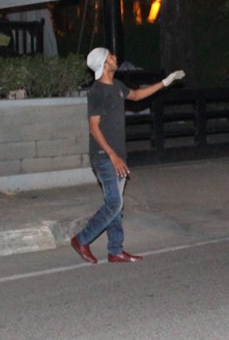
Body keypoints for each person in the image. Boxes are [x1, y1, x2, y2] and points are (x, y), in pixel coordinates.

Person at [70, 48, 184, 264]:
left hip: (117, 155)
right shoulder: (97, 91)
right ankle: (81, 239)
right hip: (104, 155)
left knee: (116, 204)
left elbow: (137, 95)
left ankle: (115, 250)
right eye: (110, 56)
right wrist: (112, 155)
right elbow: (94, 127)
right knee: (114, 203)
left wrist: (166, 82)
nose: (115, 58)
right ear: (104, 64)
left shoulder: (117, 86)